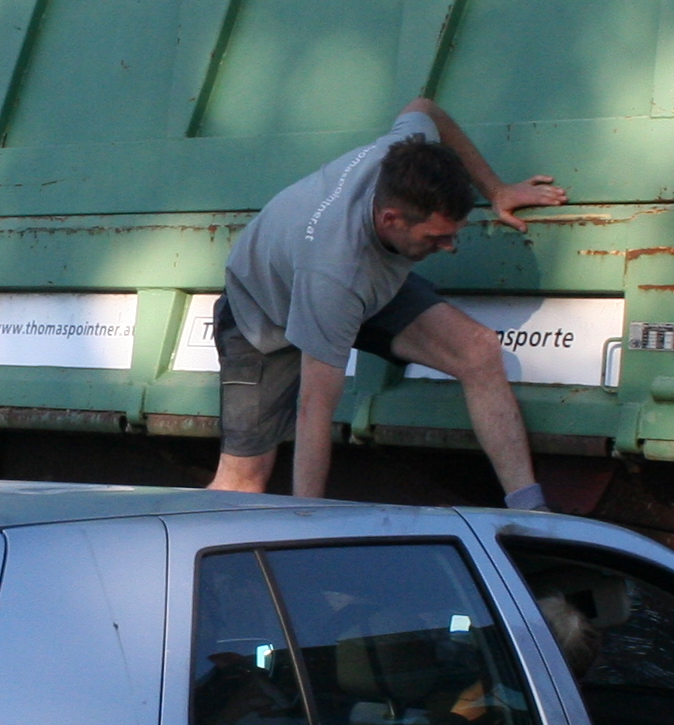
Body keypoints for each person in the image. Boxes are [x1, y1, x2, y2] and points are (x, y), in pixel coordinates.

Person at [208, 96, 566, 507]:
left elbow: (424, 107)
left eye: (453, 233)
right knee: (243, 483)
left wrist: (497, 189)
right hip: (263, 313)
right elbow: (314, 411)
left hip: (355, 282)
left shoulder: (404, 152)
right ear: (390, 219)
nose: (449, 247)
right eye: (435, 237)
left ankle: (531, 510)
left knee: (478, 350)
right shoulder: (334, 273)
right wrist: (309, 519)